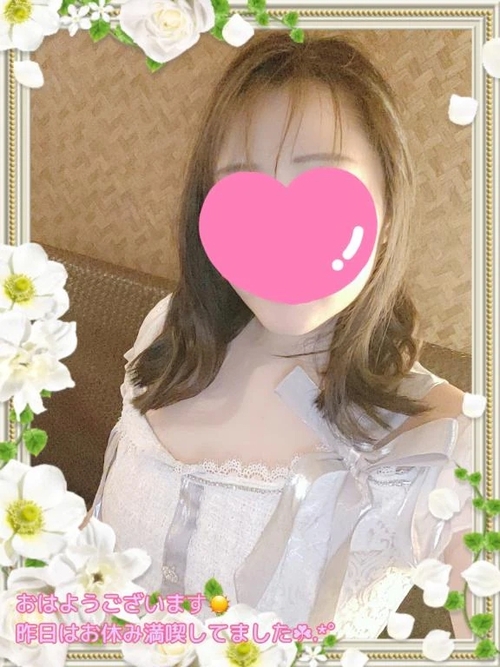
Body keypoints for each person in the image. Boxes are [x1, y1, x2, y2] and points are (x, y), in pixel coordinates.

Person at [87, 31, 473, 640]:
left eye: (324, 186)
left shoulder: (442, 439)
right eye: (242, 190)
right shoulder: (169, 329)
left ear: (388, 208)